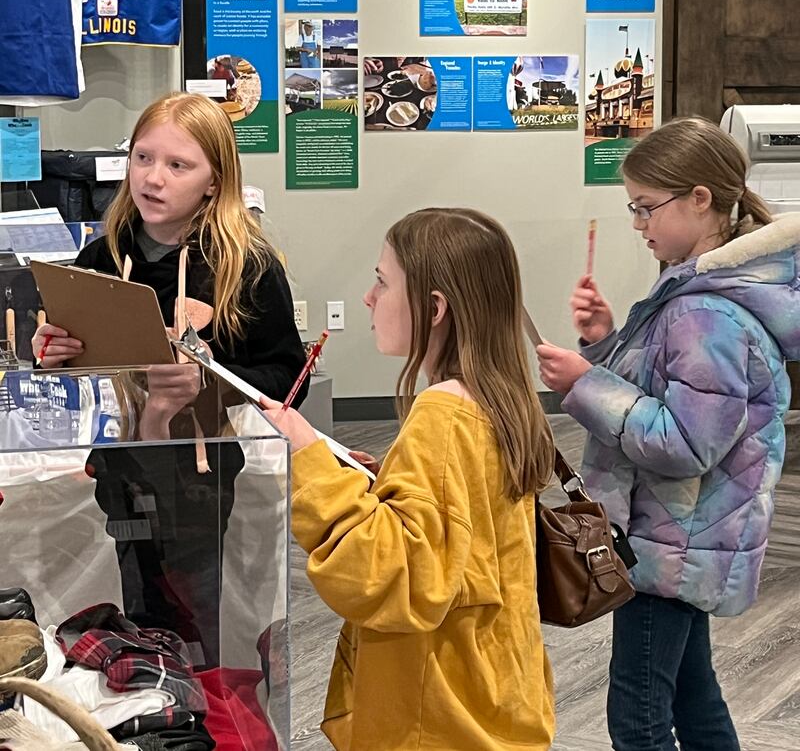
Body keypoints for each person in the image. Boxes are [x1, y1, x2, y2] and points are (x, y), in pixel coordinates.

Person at [537, 117, 800, 751]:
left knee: (639, 715)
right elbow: (663, 393)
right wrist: (603, 345)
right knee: (692, 694)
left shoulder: (705, 309)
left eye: (645, 207)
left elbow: (686, 444)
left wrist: (581, 384)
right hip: (686, 537)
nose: (637, 223)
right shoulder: (700, 289)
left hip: (669, 542)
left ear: (701, 199)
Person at [261, 207, 556, 751]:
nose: (370, 298)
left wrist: (307, 455)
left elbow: (394, 578)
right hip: (494, 686)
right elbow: (460, 537)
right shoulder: (499, 399)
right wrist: (379, 483)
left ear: (435, 307)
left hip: (438, 711)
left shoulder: (441, 414)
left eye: (382, 281)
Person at [31, 91, 309, 664]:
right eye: (142, 158)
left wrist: (210, 381)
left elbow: (288, 377)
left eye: (177, 165)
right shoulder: (101, 256)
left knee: (197, 611)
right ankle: (147, 706)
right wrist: (55, 354)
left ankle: (200, 707)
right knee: (132, 603)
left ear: (214, 180)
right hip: (119, 466)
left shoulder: (246, 265)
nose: (152, 178)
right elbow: (87, 368)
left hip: (201, 479)